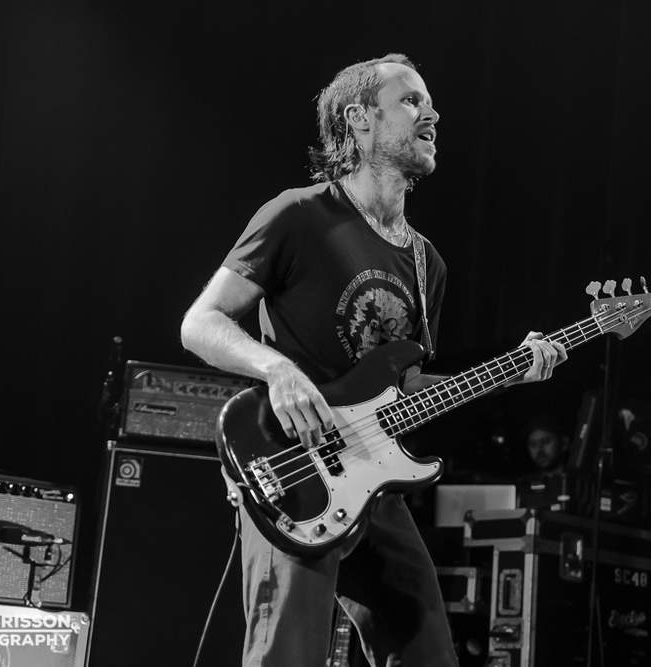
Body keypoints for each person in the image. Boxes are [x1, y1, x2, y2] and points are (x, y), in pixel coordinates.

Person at [180, 53, 567, 667]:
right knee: (289, 655)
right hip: (295, 467)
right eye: (411, 101)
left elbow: (406, 386)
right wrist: (278, 370)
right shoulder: (299, 215)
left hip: (375, 483)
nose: (431, 114)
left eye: (431, 104)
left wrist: (511, 370)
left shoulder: (427, 263)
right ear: (359, 119)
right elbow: (200, 323)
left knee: (427, 651)